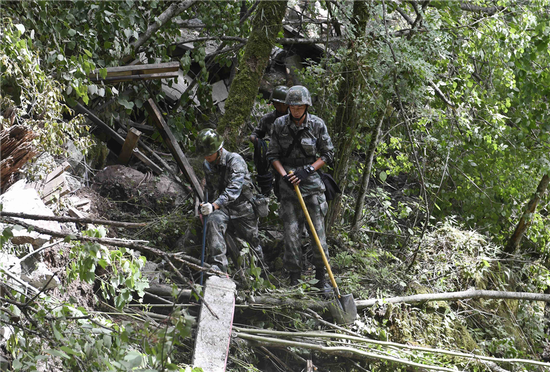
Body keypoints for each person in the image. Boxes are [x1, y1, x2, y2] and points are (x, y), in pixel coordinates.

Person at [266, 85, 335, 289]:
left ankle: (321, 279)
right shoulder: (279, 125)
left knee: (317, 233)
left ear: (306, 106)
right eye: (292, 107)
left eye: (300, 107)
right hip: (288, 187)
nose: (296, 110)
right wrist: (284, 175)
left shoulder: (317, 125)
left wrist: (309, 170)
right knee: (291, 233)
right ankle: (294, 279)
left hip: (312, 185)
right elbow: (272, 155)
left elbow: (328, 154)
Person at [196, 128, 264, 273]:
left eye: (210, 154)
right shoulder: (207, 165)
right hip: (224, 208)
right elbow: (210, 188)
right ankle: (218, 267)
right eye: (205, 155)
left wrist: (214, 205)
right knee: (213, 221)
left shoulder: (235, 160)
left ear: (219, 149)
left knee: (253, 241)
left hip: (243, 207)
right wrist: (205, 204)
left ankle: (262, 272)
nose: (207, 157)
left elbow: (234, 188)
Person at [250, 85, 289, 195]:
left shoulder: (294, 119)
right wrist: (262, 143)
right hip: (271, 162)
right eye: (275, 103)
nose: (277, 105)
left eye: (280, 103)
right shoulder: (268, 119)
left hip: (289, 162)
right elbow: (255, 135)